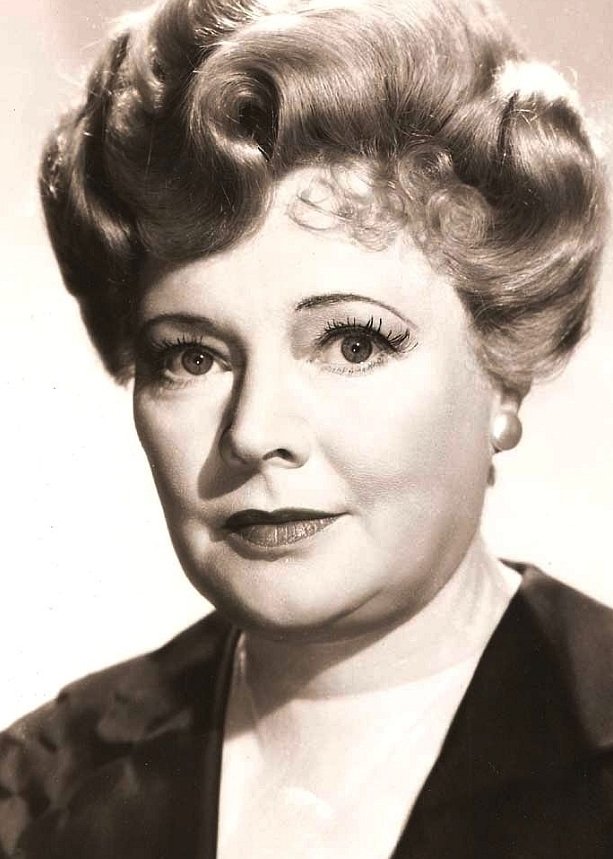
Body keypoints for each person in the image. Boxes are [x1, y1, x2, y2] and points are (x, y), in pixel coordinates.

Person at [1, 0, 612, 856]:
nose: (254, 432)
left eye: (352, 343)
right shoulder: (35, 796)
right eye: (190, 356)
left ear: (504, 367)